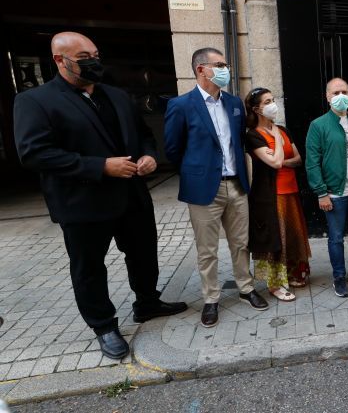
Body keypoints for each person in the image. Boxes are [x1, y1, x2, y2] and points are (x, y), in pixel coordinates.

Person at [13, 32, 187, 360]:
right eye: (83, 57)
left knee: (144, 253)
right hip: (82, 203)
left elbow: (144, 135)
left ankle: (147, 302)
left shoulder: (116, 95)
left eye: (95, 54)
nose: (93, 62)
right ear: (59, 60)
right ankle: (104, 325)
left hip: (132, 195)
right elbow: (34, 153)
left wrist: (149, 155)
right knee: (89, 267)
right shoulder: (35, 101)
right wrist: (100, 167)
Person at [164, 47, 268, 328]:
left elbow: (240, 141)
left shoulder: (234, 103)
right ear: (201, 69)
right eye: (220, 64)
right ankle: (211, 298)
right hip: (203, 190)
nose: (226, 70)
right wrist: (195, 172)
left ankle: (246, 288)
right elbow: (173, 149)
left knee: (240, 243)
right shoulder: (181, 105)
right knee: (207, 249)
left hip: (236, 185)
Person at [306, 78, 348, 298]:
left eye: (344, 91)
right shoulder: (318, 125)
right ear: (327, 97)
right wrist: (321, 192)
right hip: (334, 193)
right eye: (336, 92)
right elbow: (312, 162)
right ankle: (338, 276)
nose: (341, 96)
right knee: (336, 237)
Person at [245, 87, 312, 302]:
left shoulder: (283, 129)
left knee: (293, 235)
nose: (273, 104)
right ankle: (275, 284)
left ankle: (293, 274)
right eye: (267, 101)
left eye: (273, 99)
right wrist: (277, 153)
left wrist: (280, 159)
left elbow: (298, 159)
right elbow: (273, 163)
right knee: (276, 239)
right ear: (256, 109)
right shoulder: (253, 135)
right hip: (270, 196)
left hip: (290, 190)